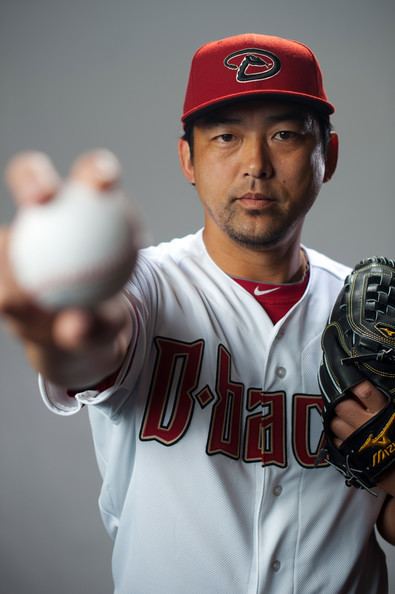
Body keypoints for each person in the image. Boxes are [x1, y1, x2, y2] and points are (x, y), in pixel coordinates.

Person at [1, 33, 394, 594]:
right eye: (226, 137)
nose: (255, 164)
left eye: (284, 134)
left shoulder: (376, 316)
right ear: (189, 157)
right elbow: (91, 349)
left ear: (327, 155)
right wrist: (65, 336)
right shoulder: (146, 286)